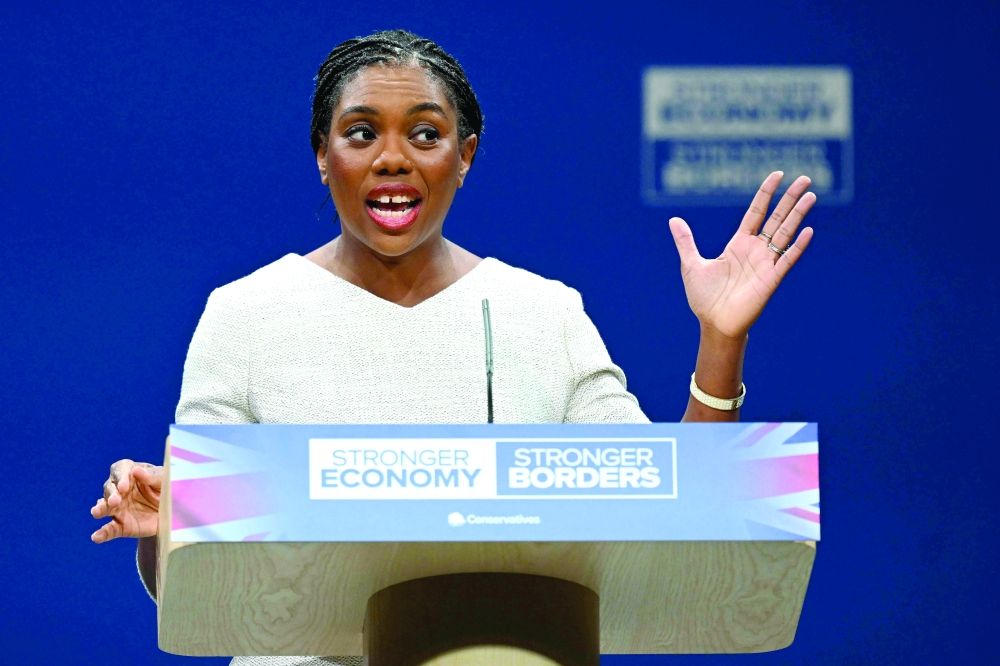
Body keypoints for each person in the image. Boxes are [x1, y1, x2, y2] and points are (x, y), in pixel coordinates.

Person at [90, 30, 815, 666]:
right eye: (361, 132)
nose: (393, 158)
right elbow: (190, 584)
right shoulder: (244, 314)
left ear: (465, 156)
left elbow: (672, 517)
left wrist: (722, 340)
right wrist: (169, 531)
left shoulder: (546, 313)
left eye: (427, 134)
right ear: (322, 153)